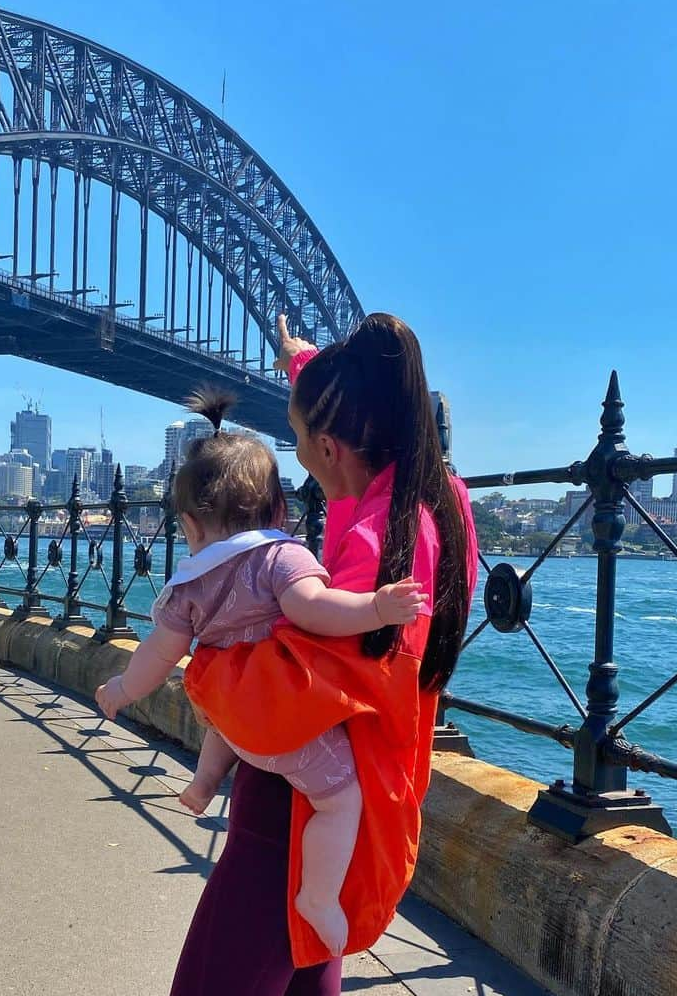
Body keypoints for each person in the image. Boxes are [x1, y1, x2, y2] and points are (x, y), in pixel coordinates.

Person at [137, 313, 478, 996]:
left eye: (302, 448)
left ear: (334, 444)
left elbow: (298, 689)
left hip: (291, 829)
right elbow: (361, 393)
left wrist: (197, 668)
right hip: (362, 811)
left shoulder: (371, 540)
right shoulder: (435, 496)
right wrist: (300, 359)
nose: (301, 473)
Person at [96, 390, 428, 956]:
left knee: (223, 700)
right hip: (280, 729)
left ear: (190, 525)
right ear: (278, 511)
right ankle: (318, 897)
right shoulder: (282, 557)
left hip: (233, 718)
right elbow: (312, 611)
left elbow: (161, 651)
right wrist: (376, 607)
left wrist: (122, 688)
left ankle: (203, 783)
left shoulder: (192, 585)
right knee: (340, 799)